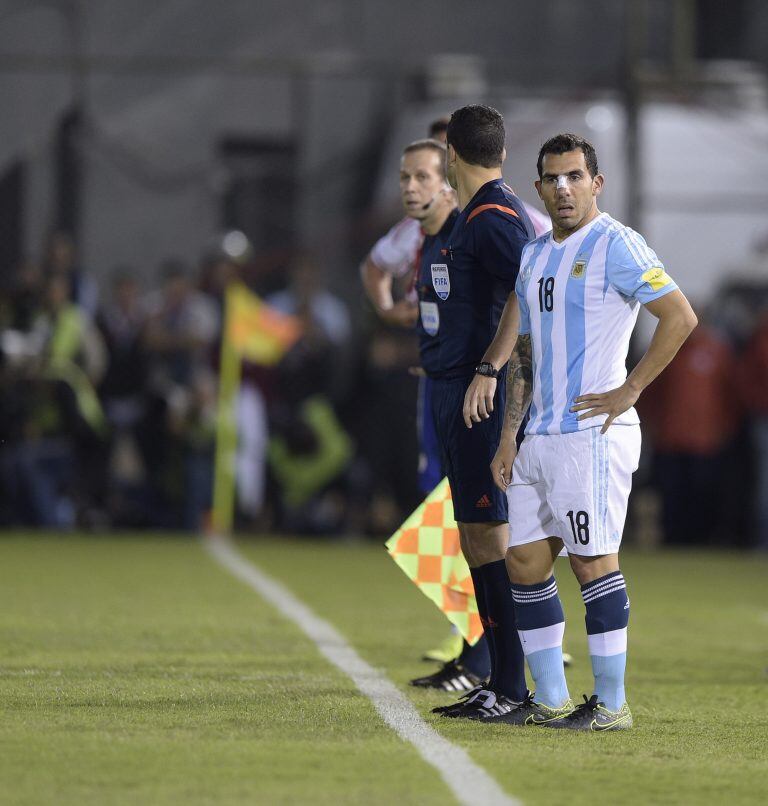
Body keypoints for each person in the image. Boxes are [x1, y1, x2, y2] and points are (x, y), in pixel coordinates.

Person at [489, 133, 697, 730]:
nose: (563, 189)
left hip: (592, 433)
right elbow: (524, 352)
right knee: (524, 560)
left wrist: (631, 389)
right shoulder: (533, 256)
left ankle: (610, 706)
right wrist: (509, 435)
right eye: (553, 179)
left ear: (596, 183)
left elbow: (680, 316)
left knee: (590, 562)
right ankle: (550, 697)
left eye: (575, 176)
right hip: (538, 437)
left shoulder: (617, 245)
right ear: (538, 189)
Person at [415, 104, 536, 720]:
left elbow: (529, 288)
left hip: (476, 394)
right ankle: (501, 678)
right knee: (475, 538)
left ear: (451, 157)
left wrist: (489, 367)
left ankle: (512, 685)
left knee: (490, 538)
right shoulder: (479, 213)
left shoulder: (492, 217)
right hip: (458, 387)